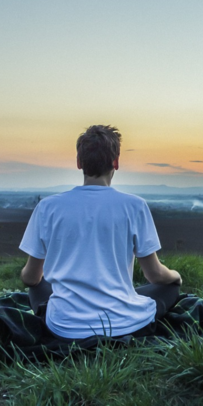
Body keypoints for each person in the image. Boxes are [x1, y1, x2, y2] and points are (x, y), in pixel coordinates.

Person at [19, 125, 182, 339]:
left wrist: (40, 279)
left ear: (79, 163)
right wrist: (175, 276)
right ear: (115, 162)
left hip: (64, 327)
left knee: (38, 285)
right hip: (123, 324)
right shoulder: (135, 206)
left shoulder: (47, 207)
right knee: (169, 288)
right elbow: (154, 275)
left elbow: (30, 278)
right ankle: (124, 304)